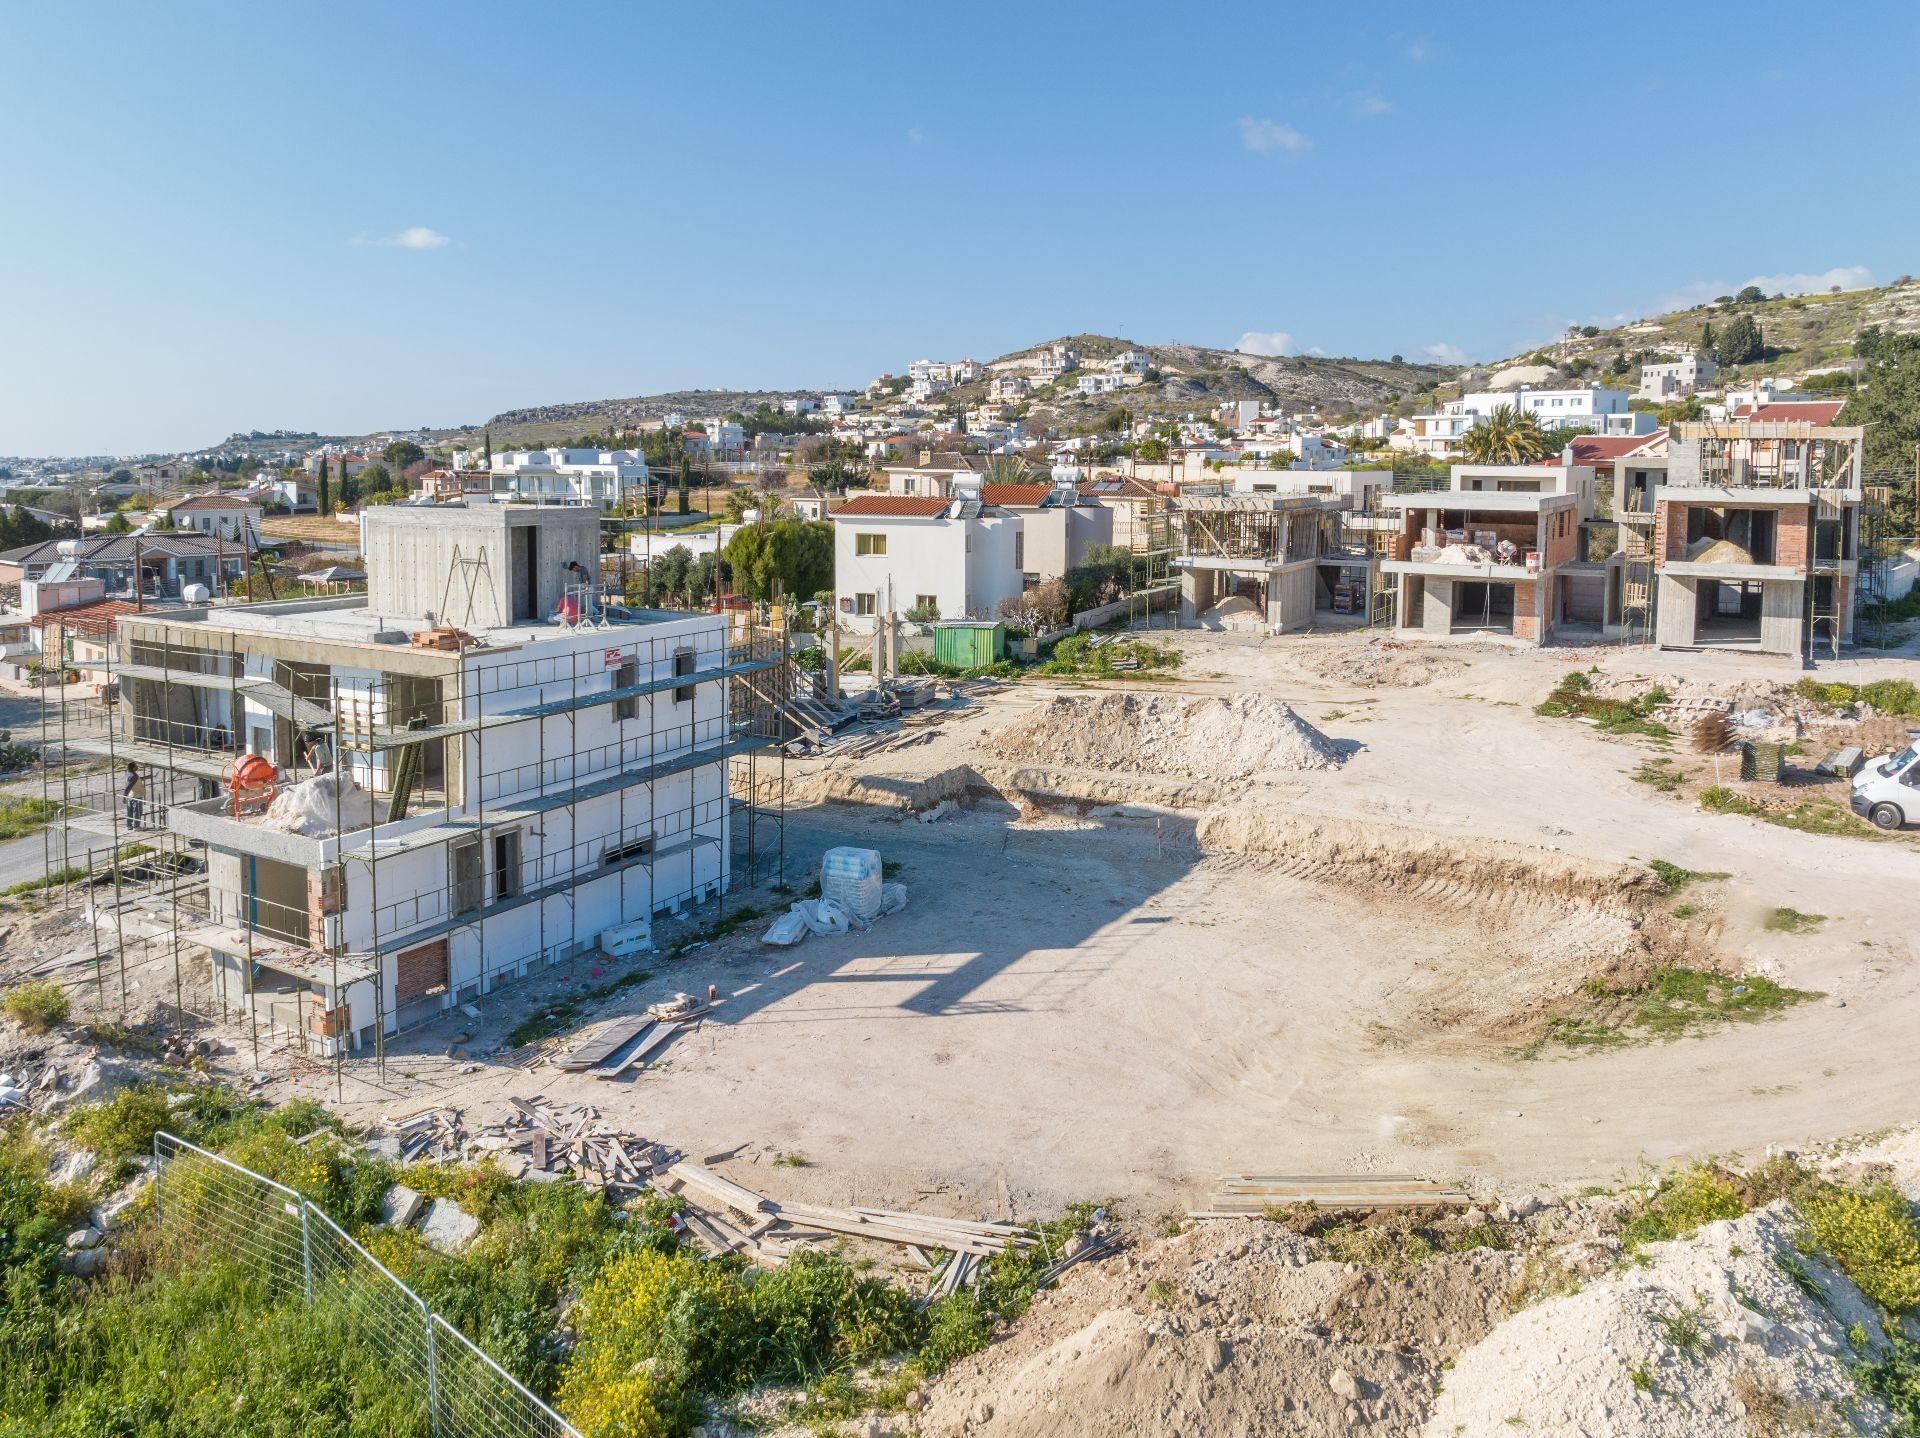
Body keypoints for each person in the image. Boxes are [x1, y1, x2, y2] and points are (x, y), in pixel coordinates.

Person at [123, 761, 149, 830]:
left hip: (131, 795)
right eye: (136, 766)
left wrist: (146, 777)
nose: (137, 767)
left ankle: (129, 825)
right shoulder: (133, 776)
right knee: (137, 811)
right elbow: (128, 787)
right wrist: (124, 797)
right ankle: (136, 826)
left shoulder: (129, 774)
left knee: (130, 811)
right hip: (136, 795)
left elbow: (135, 781)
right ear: (133, 767)